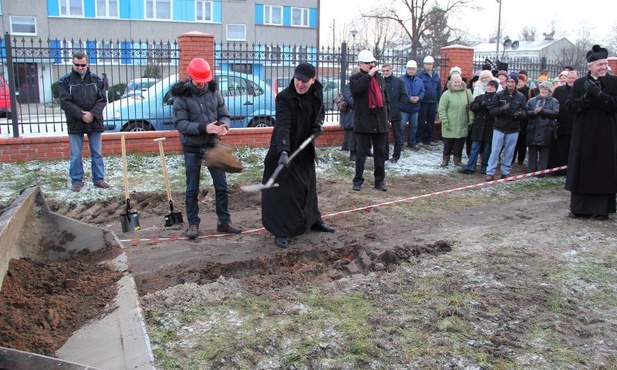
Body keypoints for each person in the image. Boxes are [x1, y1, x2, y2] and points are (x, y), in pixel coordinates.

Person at [261, 62, 334, 249]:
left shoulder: (316, 92)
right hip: (284, 147)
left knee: (307, 186)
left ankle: (313, 220)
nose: (300, 84)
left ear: (312, 80)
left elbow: (320, 113)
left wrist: (318, 125)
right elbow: (283, 126)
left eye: (304, 81)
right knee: (283, 192)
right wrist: (284, 151)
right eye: (297, 79)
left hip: (305, 147)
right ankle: (281, 230)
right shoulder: (285, 97)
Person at [172, 57, 242, 239]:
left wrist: (224, 126)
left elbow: (224, 114)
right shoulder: (182, 97)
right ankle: (193, 224)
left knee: (221, 185)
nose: (203, 84)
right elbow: (181, 124)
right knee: (192, 187)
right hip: (192, 146)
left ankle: (224, 222)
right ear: (191, 77)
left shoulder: (214, 91)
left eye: (205, 80)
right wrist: (204, 127)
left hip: (213, 145)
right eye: (199, 80)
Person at [565, 44, 617, 220]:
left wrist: (600, 95)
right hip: (583, 134)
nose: (603, 67)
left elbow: (614, 106)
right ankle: (579, 208)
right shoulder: (580, 84)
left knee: (603, 169)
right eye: (599, 64)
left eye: (604, 64)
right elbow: (570, 107)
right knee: (582, 168)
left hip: (606, 134)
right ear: (590, 67)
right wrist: (586, 98)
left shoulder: (614, 82)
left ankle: (601, 209)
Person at [58, 51, 110, 192]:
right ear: (73, 63)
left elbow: (102, 100)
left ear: (87, 63)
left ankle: (99, 179)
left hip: (95, 122)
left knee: (97, 152)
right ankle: (76, 180)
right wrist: (81, 115)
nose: (80, 67)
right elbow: (65, 102)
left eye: (83, 65)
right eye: (77, 65)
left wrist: (92, 114)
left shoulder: (97, 80)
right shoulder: (65, 81)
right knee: (75, 154)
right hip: (75, 122)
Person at [349, 50, 390, 192]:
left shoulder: (379, 78)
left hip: (379, 121)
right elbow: (357, 90)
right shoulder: (355, 78)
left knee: (380, 152)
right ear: (360, 64)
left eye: (372, 62)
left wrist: (387, 116)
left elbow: (385, 98)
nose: (371, 65)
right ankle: (358, 180)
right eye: (367, 63)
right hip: (363, 122)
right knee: (361, 153)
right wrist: (370, 75)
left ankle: (379, 180)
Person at [486, 72, 527, 181]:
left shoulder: (521, 96)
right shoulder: (499, 95)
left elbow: (525, 111)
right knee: (495, 151)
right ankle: (490, 172)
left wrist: (519, 114)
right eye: (508, 81)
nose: (510, 84)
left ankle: (506, 172)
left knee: (509, 152)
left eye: (512, 82)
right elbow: (492, 110)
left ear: (516, 83)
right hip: (499, 127)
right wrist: (501, 109)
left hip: (513, 128)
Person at [458, 79, 498, 174]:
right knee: (474, 147)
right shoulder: (480, 97)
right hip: (478, 127)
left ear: (496, 88)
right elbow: (473, 106)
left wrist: (487, 106)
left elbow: (495, 111)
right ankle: (471, 166)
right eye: (489, 85)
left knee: (487, 148)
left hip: (489, 127)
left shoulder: (497, 98)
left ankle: (485, 167)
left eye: (492, 86)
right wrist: (480, 105)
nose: (490, 87)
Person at [524, 81, 560, 175]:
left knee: (544, 152)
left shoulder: (554, 101)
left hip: (547, 130)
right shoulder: (532, 100)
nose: (543, 90)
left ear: (549, 91)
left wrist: (542, 111)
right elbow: (526, 113)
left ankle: (541, 172)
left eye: (546, 89)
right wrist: (534, 112)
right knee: (532, 151)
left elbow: (555, 113)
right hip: (533, 128)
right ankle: (531, 170)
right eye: (542, 88)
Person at [437, 74, 473, 167]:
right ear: (451, 82)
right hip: (449, 123)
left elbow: (471, 106)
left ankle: (457, 160)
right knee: (448, 144)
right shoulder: (446, 94)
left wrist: (471, 118)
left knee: (459, 144)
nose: (457, 84)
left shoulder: (467, 92)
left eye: (459, 82)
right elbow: (441, 109)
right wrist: (444, 121)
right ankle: (445, 159)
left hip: (462, 123)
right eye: (455, 82)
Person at [547, 70, 578, 175]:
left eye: (573, 78)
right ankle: (558, 170)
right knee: (560, 149)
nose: (571, 80)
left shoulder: (581, 90)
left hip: (575, 126)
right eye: (569, 78)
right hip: (561, 126)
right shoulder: (559, 90)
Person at [381, 63, 408, 163]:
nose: (385, 72)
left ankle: (396, 156)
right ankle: (385, 155)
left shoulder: (399, 82)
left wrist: (398, 107)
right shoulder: (381, 82)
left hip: (395, 112)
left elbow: (404, 96)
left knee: (398, 135)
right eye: (383, 71)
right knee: (384, 135)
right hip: (384, 112)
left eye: (387, 70)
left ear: (391, 70)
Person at [400, 60, 425, 150]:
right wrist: (409, 98)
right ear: (406, 69)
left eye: (413, 69)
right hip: (404, 108)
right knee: (401, 126)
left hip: (415, 107)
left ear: (416, 70)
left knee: (414, 127)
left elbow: (423, 91)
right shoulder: (401, 80)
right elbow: (400, 93)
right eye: (410, 69)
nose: (411, 71)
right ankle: (400, 143)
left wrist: (419, 98)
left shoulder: (419, 81)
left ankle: (412, 142)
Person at [417, 55, 441, 146]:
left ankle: (430, 138)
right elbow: (418, 87)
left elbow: (438, 89)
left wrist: (438, 99)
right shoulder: (420, 75)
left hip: (433, 102)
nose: (428, 66)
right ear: (424, 64)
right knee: (421, 121)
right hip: (423, 102)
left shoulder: (435, 76)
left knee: (431, 122)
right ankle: (419, 139)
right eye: (427, 64)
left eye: (430, 64)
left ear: (432, 65)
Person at [340, 72, 357, 161]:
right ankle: (352, 152)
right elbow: (350, 99)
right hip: (350, 114)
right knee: (351, 135)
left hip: (359, 114)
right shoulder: (348, 87)